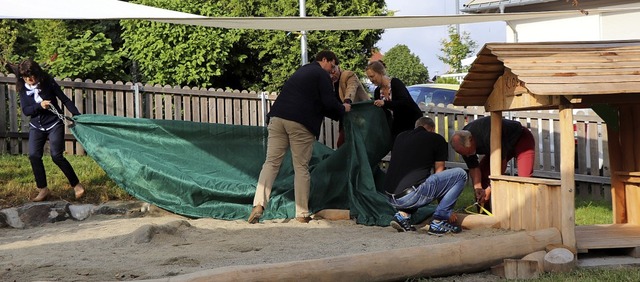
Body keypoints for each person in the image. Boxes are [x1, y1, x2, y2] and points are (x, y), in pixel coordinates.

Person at [248, 50, 351, 224]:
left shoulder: (302, 71)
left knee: (271, 163)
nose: (333, 70)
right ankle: (302, 213)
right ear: (324, 60)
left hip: (277, 118)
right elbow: (329, 103)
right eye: (332, 65)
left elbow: (318, 102)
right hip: (300, 124)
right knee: (301, 168)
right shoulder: (321, 74)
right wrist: (344, 109)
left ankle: (258, 205)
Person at [384, 117, 467, 236]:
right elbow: (440, 172)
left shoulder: (401, 137)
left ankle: (402, 216)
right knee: (460, 174)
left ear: (416, 127)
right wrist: (445, 209)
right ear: (432, 129)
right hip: (410, 196)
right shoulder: (436, 139)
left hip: (390, 197)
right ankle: (439, 221)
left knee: (417, 180)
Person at [15, 58, 85, 202]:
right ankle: (43, 189)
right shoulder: (22, 87)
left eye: (32, 76)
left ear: (37, 73)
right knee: (34, 156)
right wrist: (40, 106)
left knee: (56, 156)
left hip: (54, 123)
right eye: (26, 77)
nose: (29, 79)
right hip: (36, 126)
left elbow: (65, 100)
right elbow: (26, 110)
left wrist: (77, 116)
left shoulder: (48, 82)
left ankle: (77, 185)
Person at [450, 116, 535, 213]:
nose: (468, 155)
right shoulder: (463, 145)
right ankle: (483, 214)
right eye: (465, 154)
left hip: (520, 138)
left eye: (468, 152)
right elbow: (474, 168)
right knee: (482, 176)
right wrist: (478, 188)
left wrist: (490, 188)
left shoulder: (488, 135)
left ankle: (526, 213)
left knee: (524, 179)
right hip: (500, 146)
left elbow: (500, 164)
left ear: (471, 140)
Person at [365, 60, 423, 145]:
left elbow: (404, 102)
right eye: (369, 77)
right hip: (396, 126)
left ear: (380, 72)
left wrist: (385, 103)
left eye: (372, 76)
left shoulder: (395, 83)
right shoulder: (377, 91)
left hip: (411, 123)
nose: (371, 80)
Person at [330, 64, 370, 147]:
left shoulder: (348, 75)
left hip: (360, 115)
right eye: (329, 74)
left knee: (348, 144)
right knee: (342, 144)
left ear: (338, 67)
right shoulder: (330, 82)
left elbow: (351, 89)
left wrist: (347, 101)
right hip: (346, 118)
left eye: (333, 72)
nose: (332, 75)